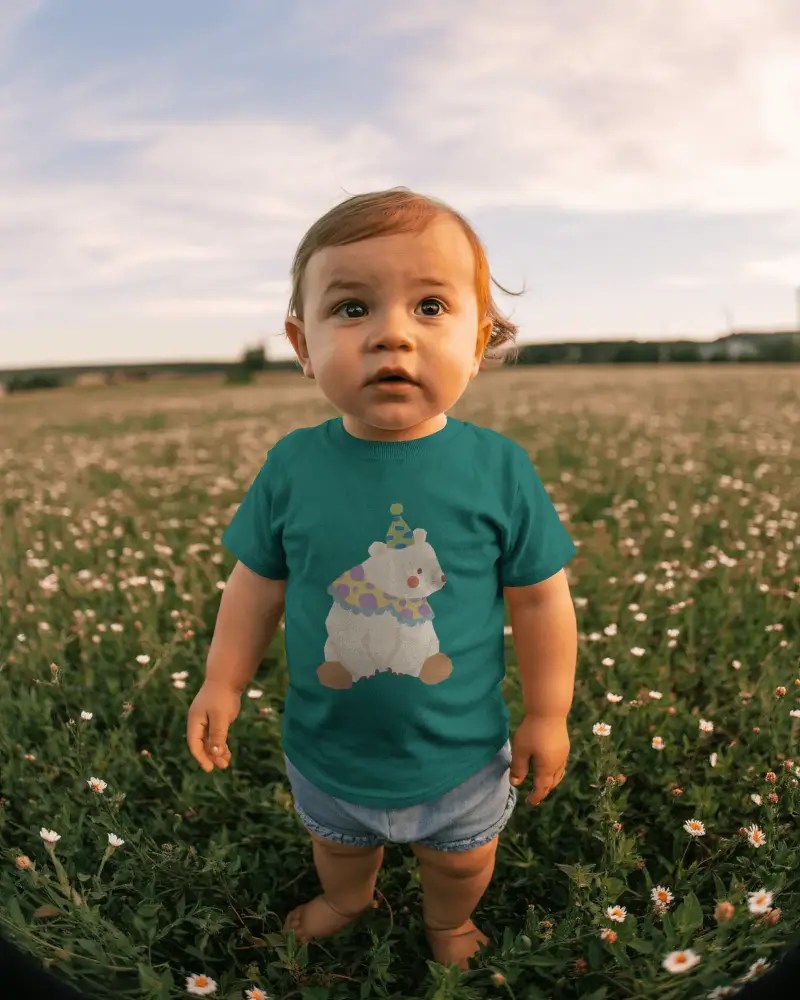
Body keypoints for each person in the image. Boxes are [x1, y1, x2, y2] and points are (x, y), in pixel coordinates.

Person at [186, 187, 579, 971]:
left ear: (480, 341)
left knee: (462, 860)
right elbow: (256, 583)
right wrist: (222, 682)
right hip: (330, 749)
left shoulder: (497, 469)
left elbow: (539, 599)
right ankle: (346, 898)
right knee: (338, 846)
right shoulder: (293, 465)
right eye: (352, 309)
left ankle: (449, 925)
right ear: (303, 343)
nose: (391, 334)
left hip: (461, 753)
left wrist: (549, 712)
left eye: (431, 307)